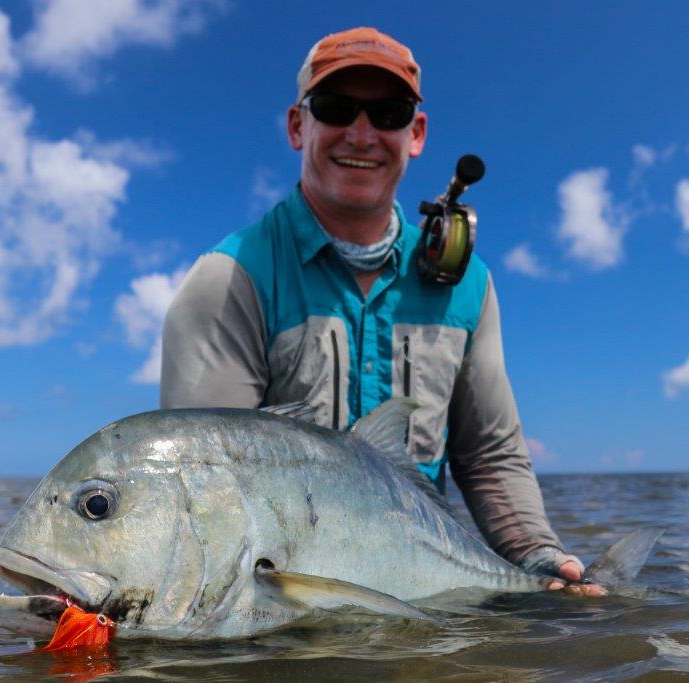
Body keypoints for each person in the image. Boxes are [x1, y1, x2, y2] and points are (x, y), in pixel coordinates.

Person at [161, 27, 603, 596]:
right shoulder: (228, 279)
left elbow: (488, 456)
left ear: (415, 134)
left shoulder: (469, 284)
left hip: (427, 600)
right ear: (299, 126)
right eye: (336, 108)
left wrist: (539, 559)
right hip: (281, 606)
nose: (362, 134)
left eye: (388, 113)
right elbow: (205, 486)